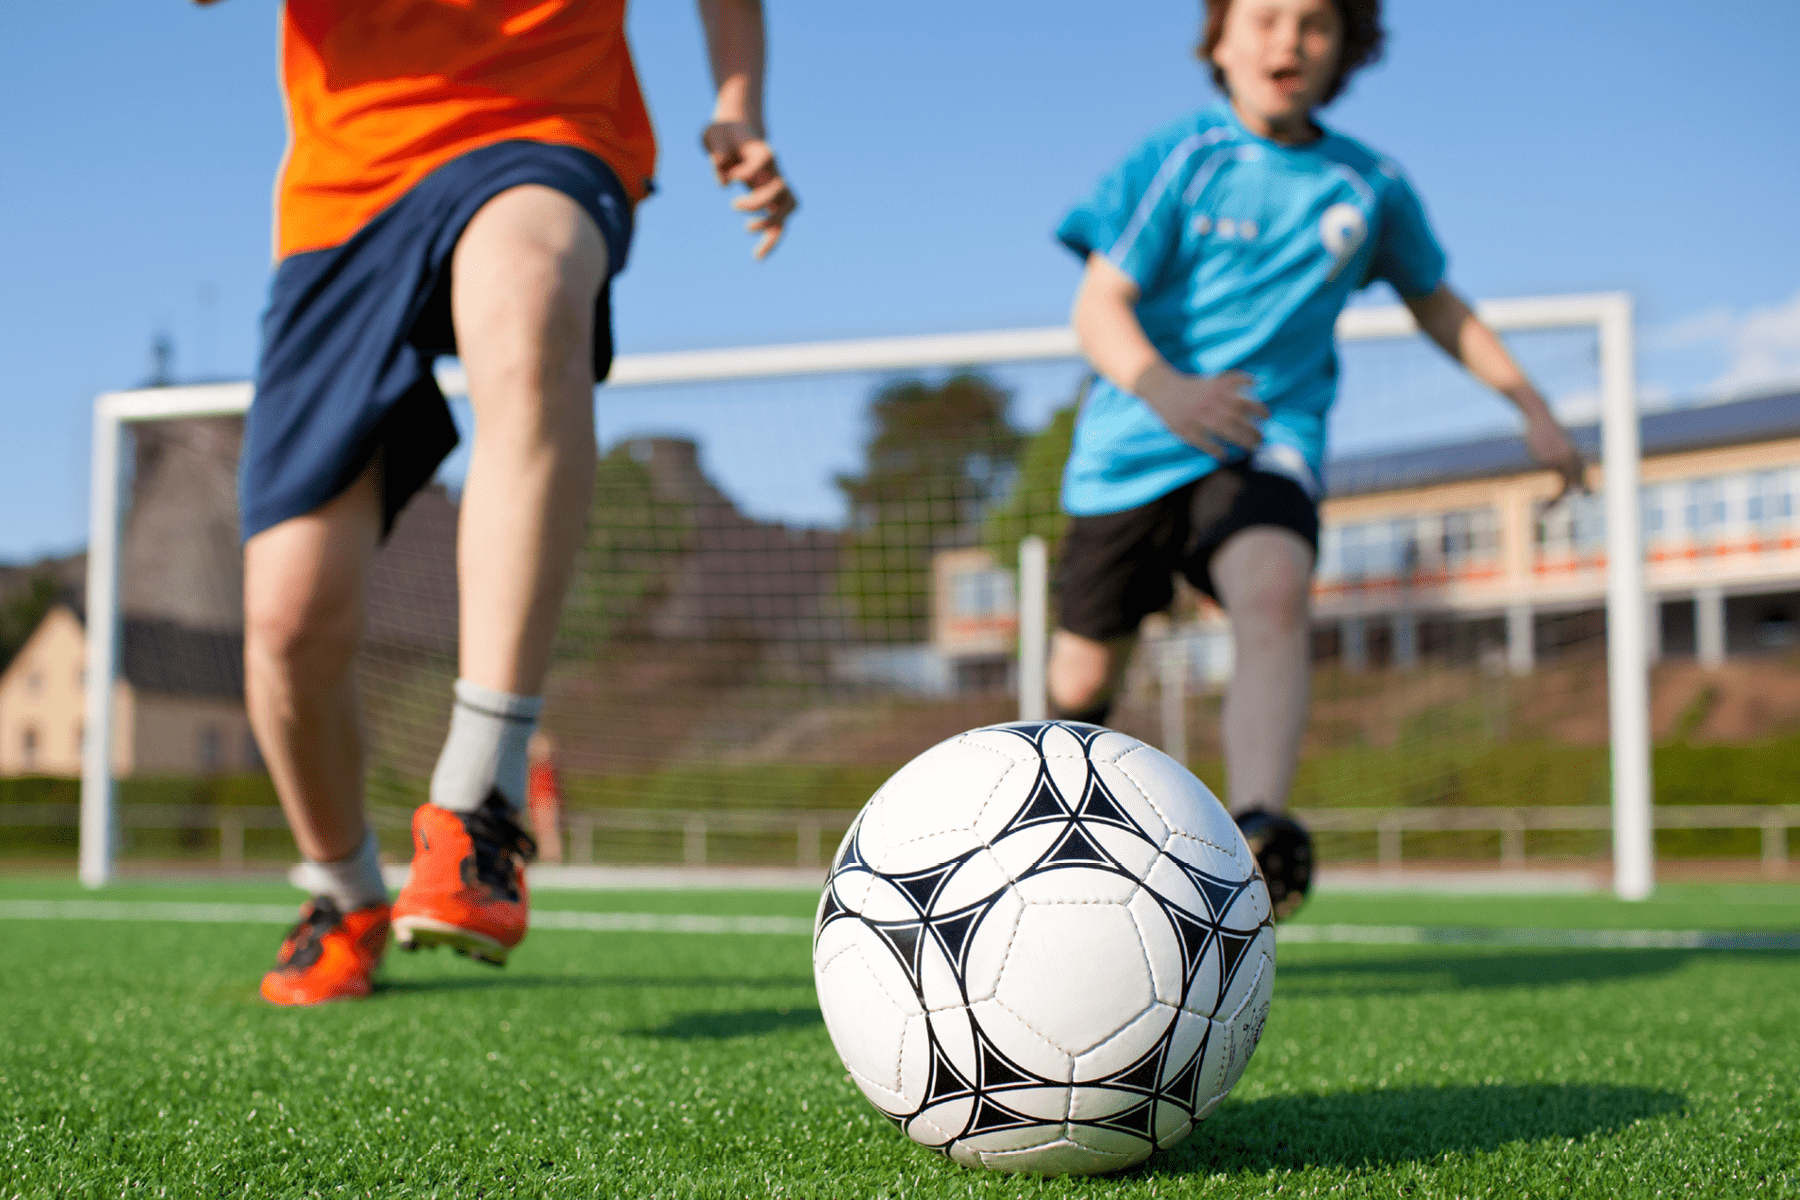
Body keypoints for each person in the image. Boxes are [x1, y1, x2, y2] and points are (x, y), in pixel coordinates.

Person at [209, 0, 798, 1005]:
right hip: (345, 191)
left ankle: (479, 798)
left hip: (544, 128)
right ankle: (347, 895)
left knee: (529, 294)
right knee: (289, 620)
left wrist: (738, 96)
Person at [1048, 0, 1582, 918]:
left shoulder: (1368, 183)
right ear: (1219, 40)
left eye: (1313, 23)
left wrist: (1531, 404)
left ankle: (1255, 834)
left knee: (1273, 588)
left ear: (1347, 49)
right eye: (1262, 18)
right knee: (1082, 681)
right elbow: (1098, 307)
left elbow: (1437, 303)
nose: (1287, 40)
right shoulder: (1181, 159)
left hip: (1266, 439)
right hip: (1135, 446)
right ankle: (1049, 841)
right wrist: (1170, 389)